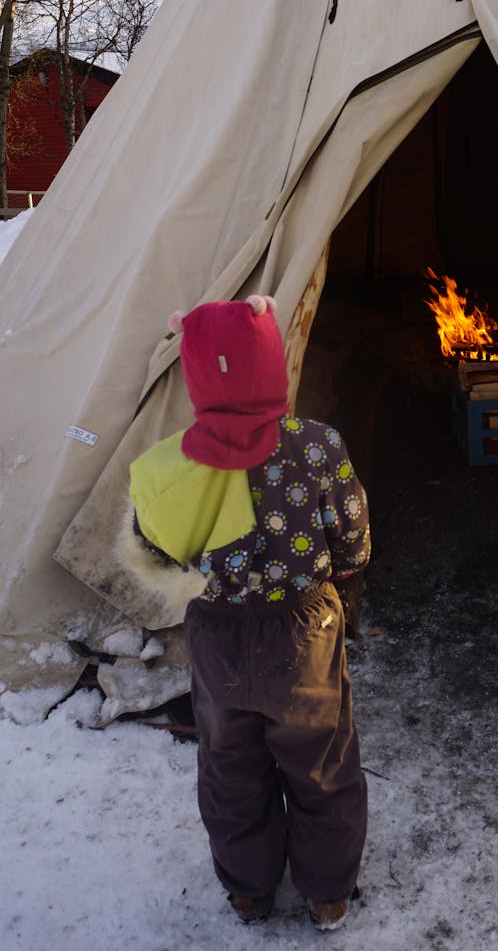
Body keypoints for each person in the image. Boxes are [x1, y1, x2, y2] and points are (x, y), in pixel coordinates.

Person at [123, 294, 370, 932]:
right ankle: (326, 893)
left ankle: (248, 890)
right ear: (271, 366)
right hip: (303, 631)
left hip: (218, 634)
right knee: (320, 758)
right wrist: (344, 579)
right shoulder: (317, 446)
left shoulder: (167, 467)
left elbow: (154, 551)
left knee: (229, 762)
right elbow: (352, 538)